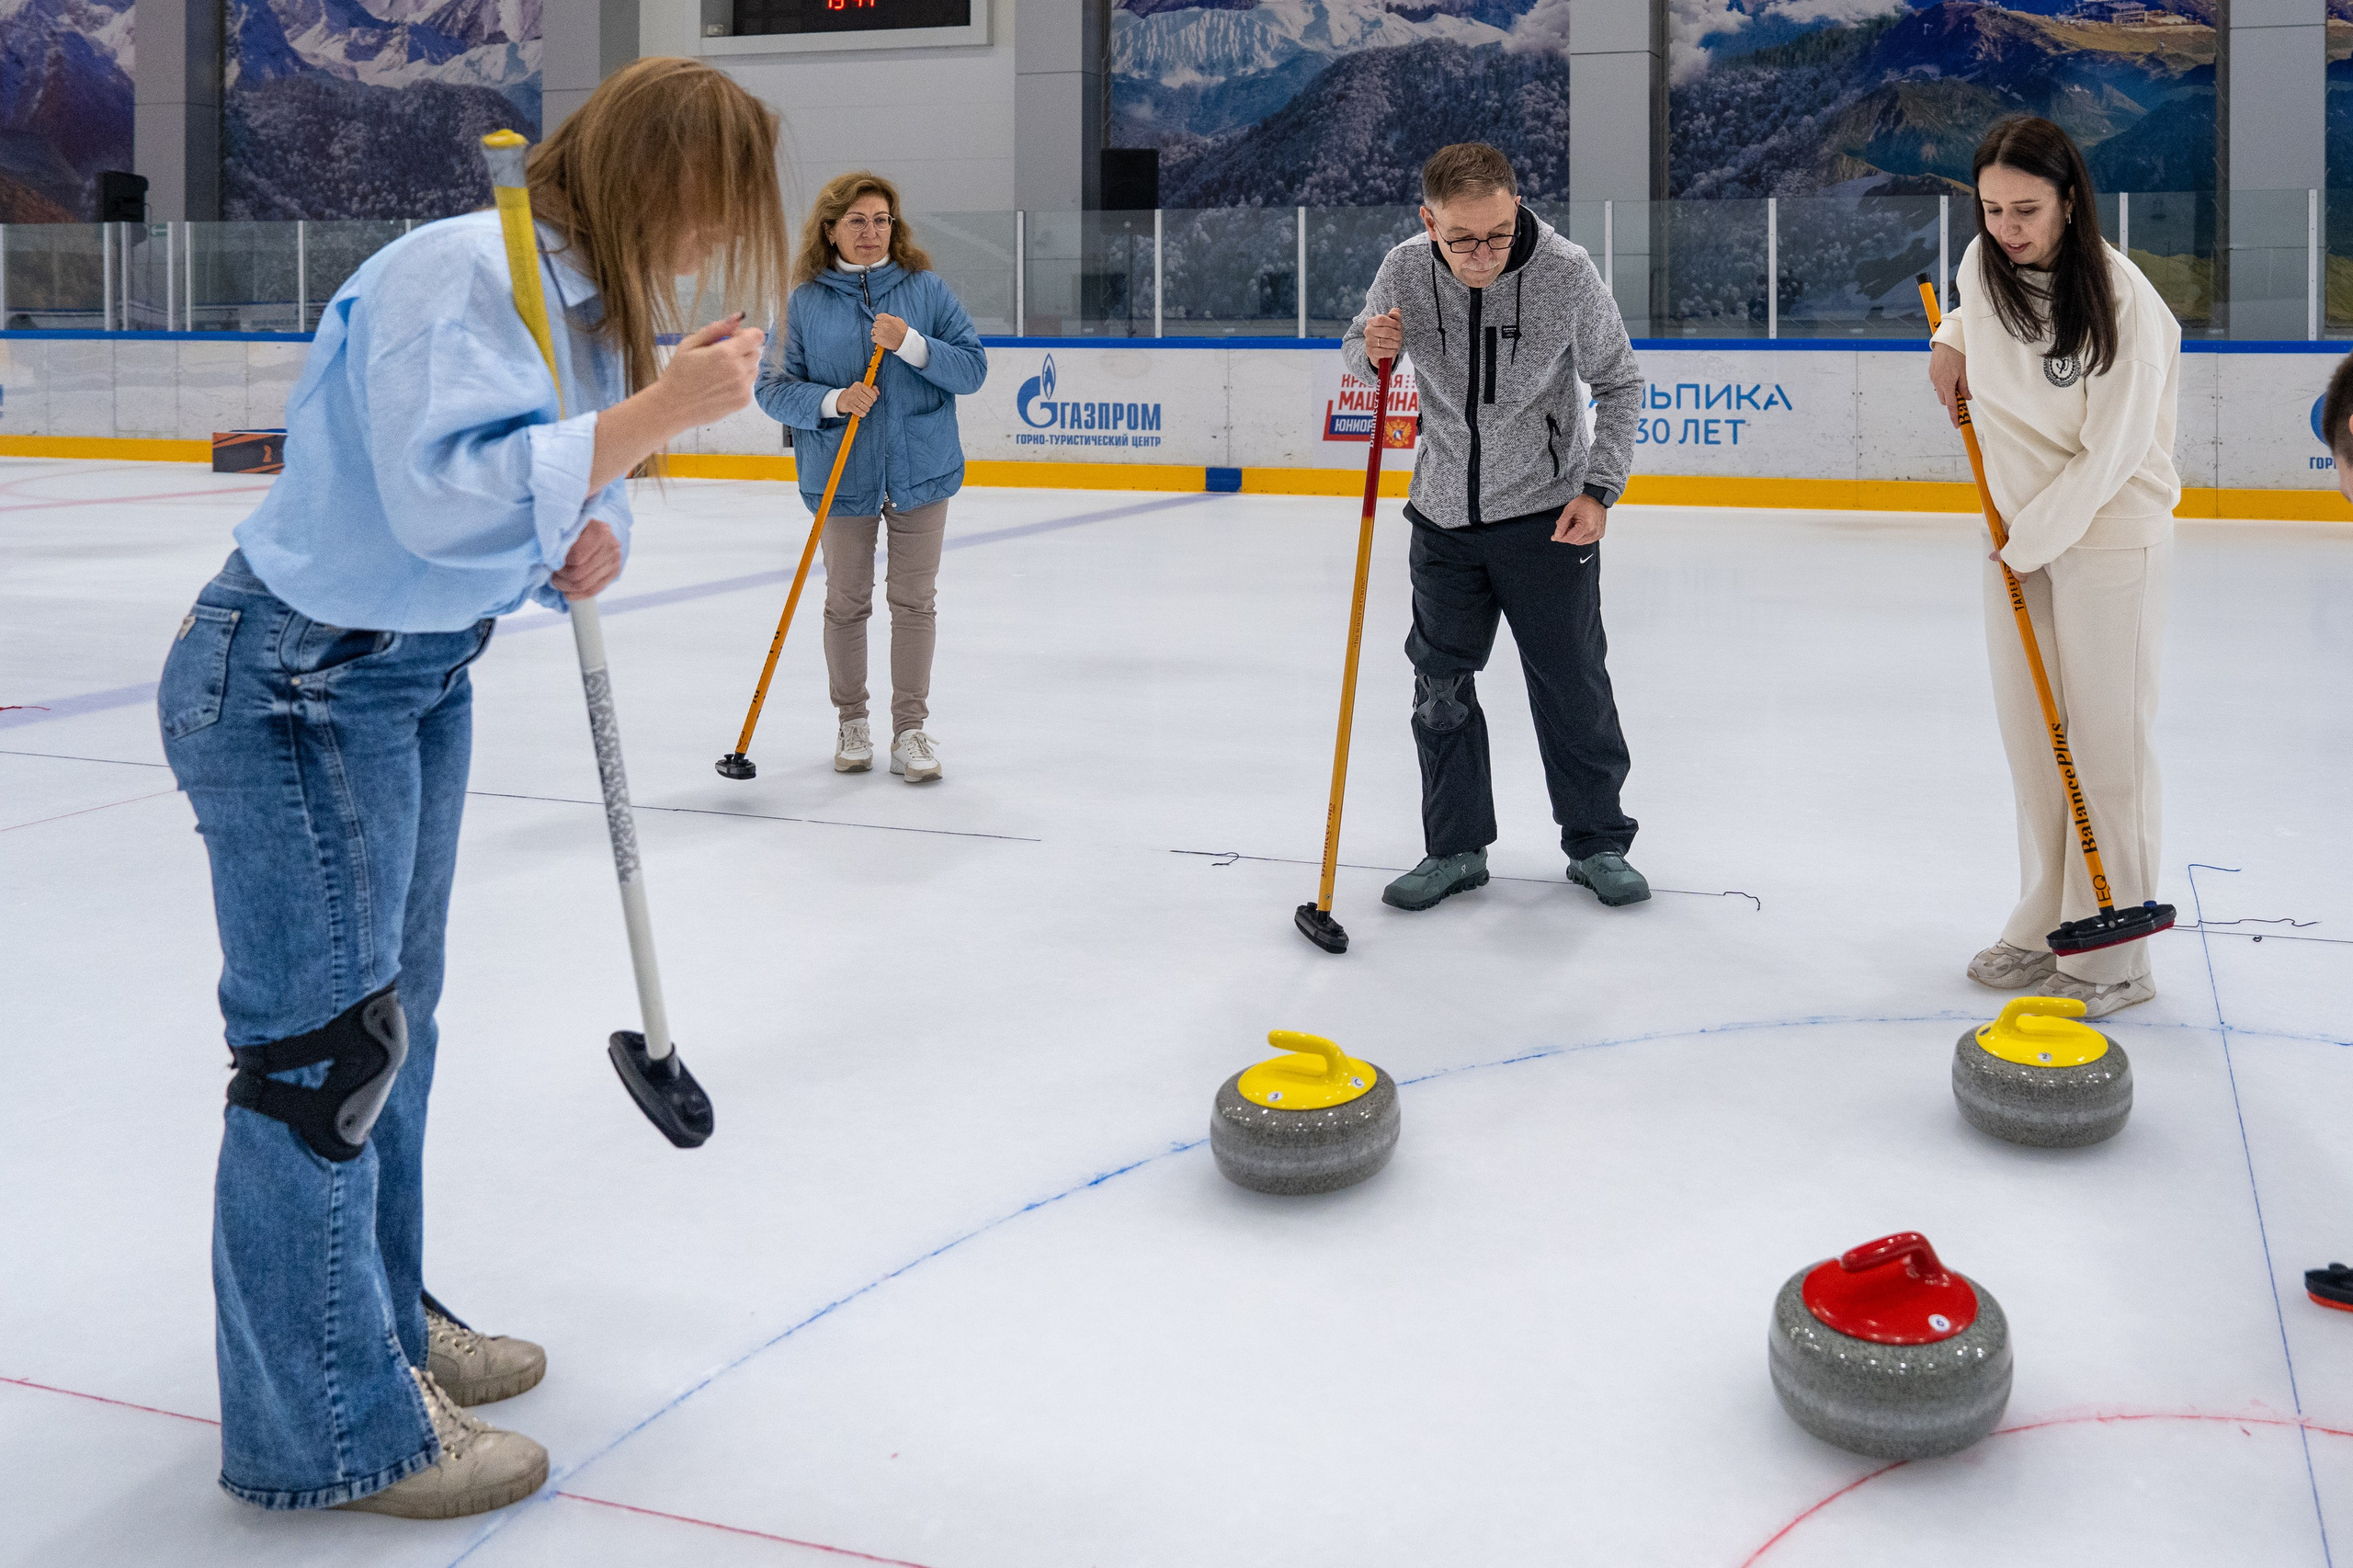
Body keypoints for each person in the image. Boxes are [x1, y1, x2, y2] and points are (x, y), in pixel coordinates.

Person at [156, 57, 782, 1517]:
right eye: (702, 212)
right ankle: (328, 1425)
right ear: (653, 179)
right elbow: (446, 488)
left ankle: (372, 1313)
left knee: (393, 1029)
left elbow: (524, 497)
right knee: (325, 1058)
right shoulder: (460, 272)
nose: (703, 246)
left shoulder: (561, 297)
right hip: (299, 683)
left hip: (408, 675)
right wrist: (663, 411)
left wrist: (588, 535)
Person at [1340, 142, 1648, 914]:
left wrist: (1600, 488)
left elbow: (1619, 379)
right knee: (1438, 688)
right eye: (1462, 238)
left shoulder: (1566, 271)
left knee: (1572, 683)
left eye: (1498, 234)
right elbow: (1360, 348)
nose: (1482, 254)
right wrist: (1370, 351)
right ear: (1428, 222)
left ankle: (1599, 842)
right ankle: (1454, 849)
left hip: (1548, 517)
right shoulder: (1406, 267)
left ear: (1517, 209)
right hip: (1442, 516)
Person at [1930, 116, 2181, 1018]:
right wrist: (1948, 337)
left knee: (2102, 745)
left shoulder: (2123, 302)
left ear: (2071, 201)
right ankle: (2047, 919)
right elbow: (1983, 311)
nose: (2006, 227)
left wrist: (2027, 541)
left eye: (2025, 210)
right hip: (2015, 536)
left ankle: (2114, 950)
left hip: (2106, 535)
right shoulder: (1977, 265)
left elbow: (2111, 455)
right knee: (2034, 740)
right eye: (1991, 208)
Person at [756, 171, 986, 782]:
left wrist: (913, 344)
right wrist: (832, 403)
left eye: (881, 219)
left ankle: (910, 729)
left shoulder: (926, 291)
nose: (870, 231)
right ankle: (851, 721)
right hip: (842, 474)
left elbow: (972, 369)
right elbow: (771, 390)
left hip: (923, 471)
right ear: (829, 228)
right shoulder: (802, 302)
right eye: (856, 220)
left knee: (914, 601)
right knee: (846, 602)